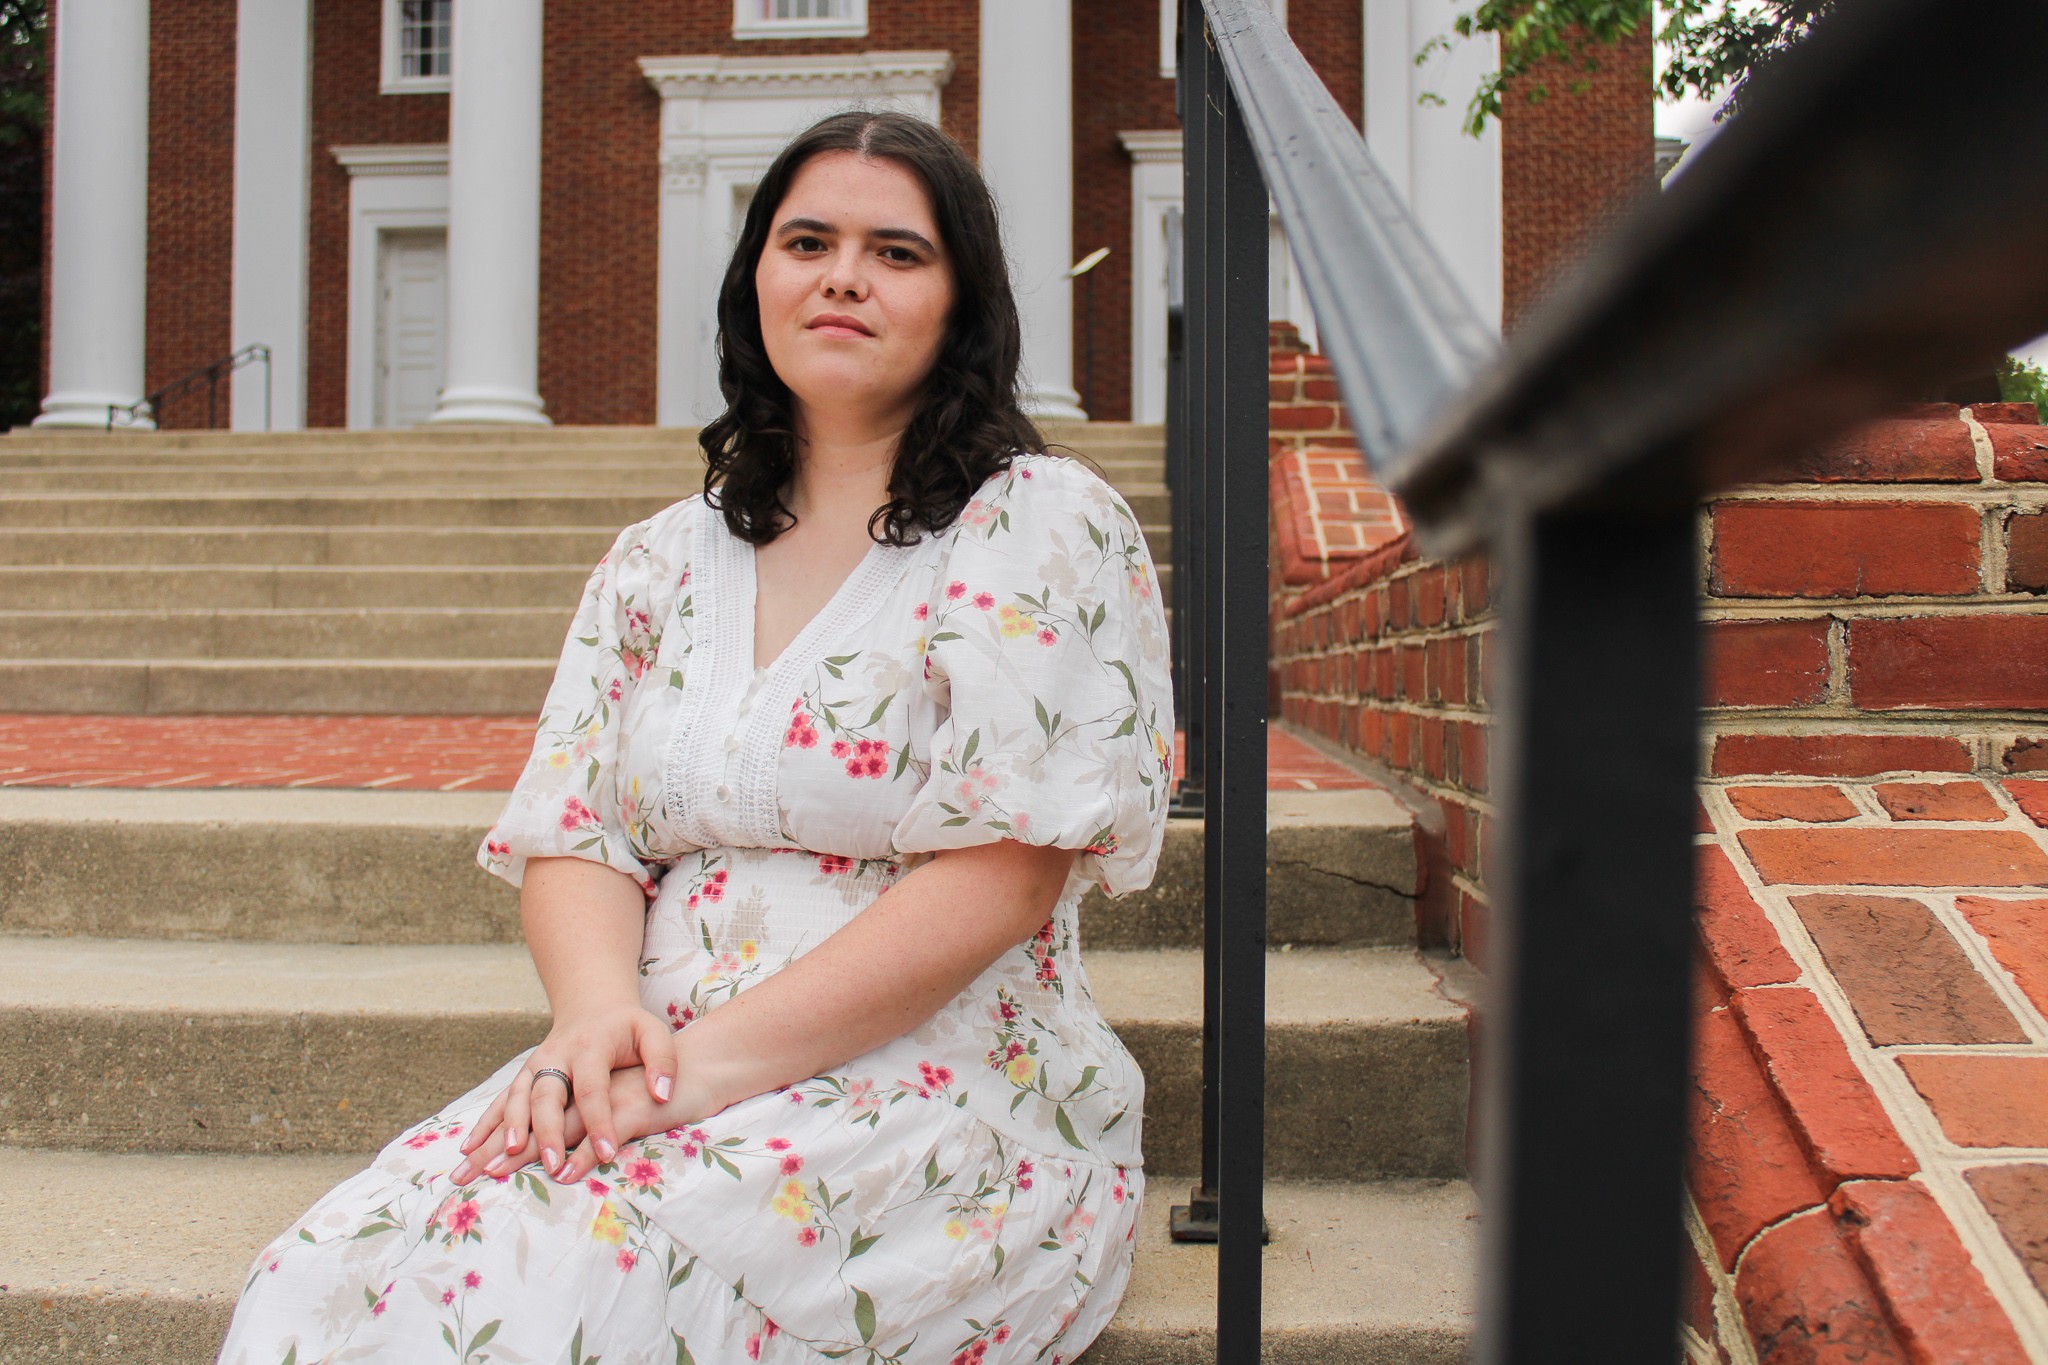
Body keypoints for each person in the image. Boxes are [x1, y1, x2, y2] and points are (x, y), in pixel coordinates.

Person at [216, 108, 1175, 1365]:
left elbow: (1004, 874)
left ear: (962, 302)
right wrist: (595, 1021)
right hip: (653, 1055)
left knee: (572, 1284)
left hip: (942, 1079)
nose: (841, 275)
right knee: (327, 1279)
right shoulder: (659, 557)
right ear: (755, 281)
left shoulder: (1040, 527)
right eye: (806, 241)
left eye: (896, 252)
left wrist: (708, 1074)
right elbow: (576, 832)